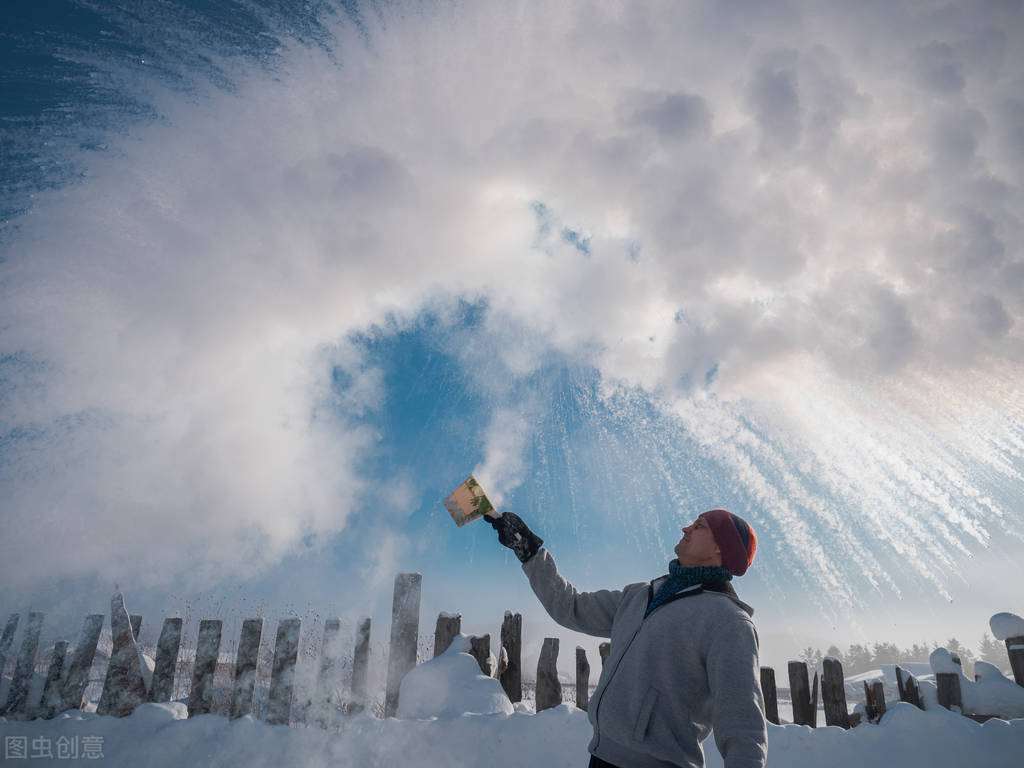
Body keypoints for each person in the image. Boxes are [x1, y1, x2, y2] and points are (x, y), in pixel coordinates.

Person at [487, 508, 767, 768]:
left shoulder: (729, 621)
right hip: (601, 755)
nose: (685, 528)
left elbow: (744, 725)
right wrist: (530, 553)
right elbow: (570, 607)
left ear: (721, 547)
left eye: (698, 526)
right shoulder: (640, 595)